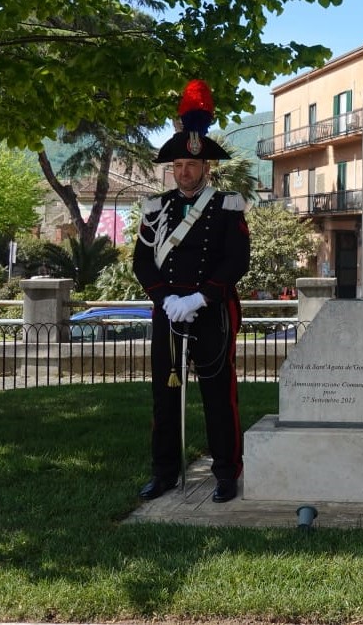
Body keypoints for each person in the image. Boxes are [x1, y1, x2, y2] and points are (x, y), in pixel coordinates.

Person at [133, 79, 250, 503]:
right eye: (179, 165)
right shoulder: (155, 208)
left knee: (220, 397)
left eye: (192, 166)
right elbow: (141, 261)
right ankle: (164, 472)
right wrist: (166, 299)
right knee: (164, 397)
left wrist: (201, 297)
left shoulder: (227, 205)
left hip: (210, 309)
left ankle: (225, 473)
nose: (185, 171)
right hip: (169, 312)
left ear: (206, 169)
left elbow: (237, 261)